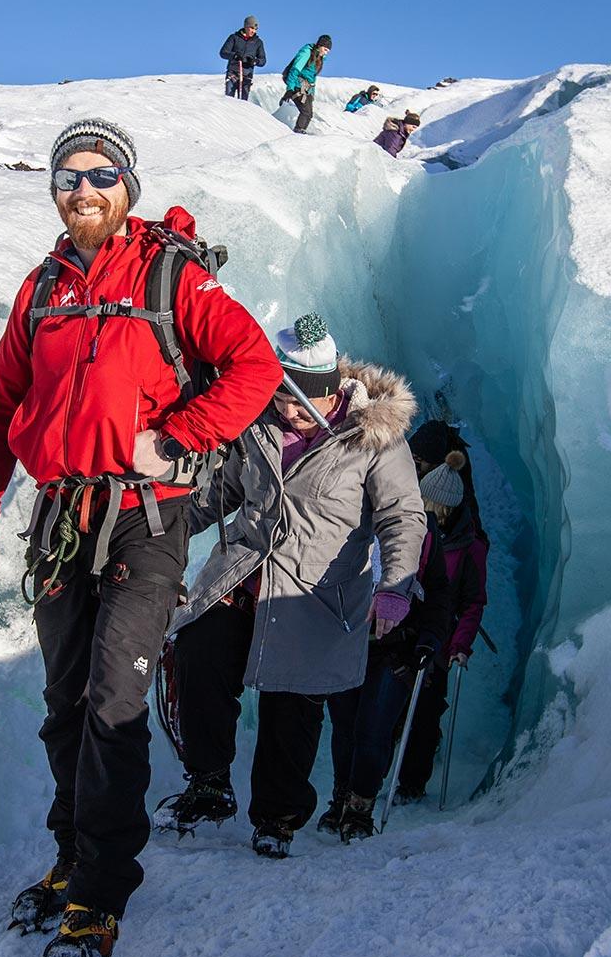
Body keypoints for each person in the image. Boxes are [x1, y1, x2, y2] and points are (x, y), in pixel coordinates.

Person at [0, 118, 281, 957]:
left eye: (100, 174)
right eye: (68, 176)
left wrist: (181, 434)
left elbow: (252, 365)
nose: (84, 188)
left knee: (113, 700)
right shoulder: (44, 288)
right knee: (65, 703)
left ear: (127, 186)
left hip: (146, 520)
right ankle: (71, 855)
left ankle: (101, 888)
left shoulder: (173, 275)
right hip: (63, 516)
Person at [159, 311, 425, 859]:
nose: (287, 409)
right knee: (198, 650)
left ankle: (277, 817)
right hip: (245, 575)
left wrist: (396, 585)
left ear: (331, 391)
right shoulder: (260, 425)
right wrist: (161, 532)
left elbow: (403, 513)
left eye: (299, 399)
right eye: (281, 394)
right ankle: (209, 781)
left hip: (315, 595)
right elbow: (222, 492)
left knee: (293, 706)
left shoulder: (374, 440)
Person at [318, 493, 454, 841]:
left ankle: (360, 807)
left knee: (373, 729)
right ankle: (343, 799)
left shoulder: (421, 531)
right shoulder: (344, 519)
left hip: (397, 649)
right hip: (345, 642)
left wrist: (430, 638)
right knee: (346, 728)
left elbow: (438, 592)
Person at [395, 442, 490, 802]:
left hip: (438, 637)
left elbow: (472, 601)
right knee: (392, 703)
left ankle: (412, 783)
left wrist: (460, 646)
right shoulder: (411, 524)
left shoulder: (469, 546)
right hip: (402, 627)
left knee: (426, 711)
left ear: (445, 508)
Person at [280, 34, 332, 134]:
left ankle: (301, 131)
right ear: (320, 45)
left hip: (307, 88)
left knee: (309, 114)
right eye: (325, 49)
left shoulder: (320, 59)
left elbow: (312, 78)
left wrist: (312, 94)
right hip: (297, 84)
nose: (326, 53)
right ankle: (298, 131)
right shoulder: (307, 52)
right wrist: (290, 89)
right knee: (306, 112)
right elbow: (295, 69)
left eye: (328, 51)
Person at [220, 16, 266, 100]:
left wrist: (255, 61)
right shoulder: (234, 38)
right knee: (229, 99)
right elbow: (223, 53)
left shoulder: (258, 42)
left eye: (255, 29)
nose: (253, 31)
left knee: (243, 102)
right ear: (246, 26)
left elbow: (263, 60)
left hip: (246, 76)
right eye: (251, 28)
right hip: (232, 74)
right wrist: (234, 56)